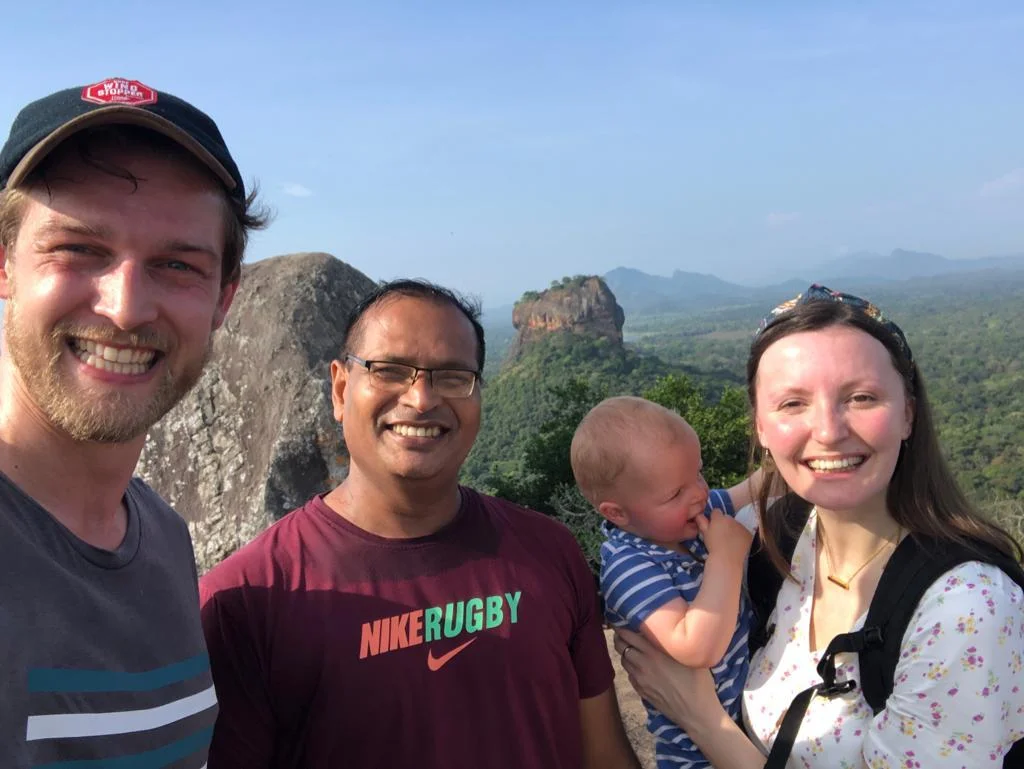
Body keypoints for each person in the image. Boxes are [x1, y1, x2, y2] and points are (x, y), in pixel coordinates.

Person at [199, 279, 643, 769]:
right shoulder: (247, 600)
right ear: (341, 389)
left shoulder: (548, 551)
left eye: (452, 376)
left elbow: (605, 755)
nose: (422, 398)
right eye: (389, 370)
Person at [614, 284, 1024, 767]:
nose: (828, 431)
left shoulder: (966, 608)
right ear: (761, 427)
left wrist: (702, 719)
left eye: (862, 397)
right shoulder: (768, 536)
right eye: (792, 404)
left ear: (908, 414)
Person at [0, 78, 267, 766]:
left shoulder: (164, 541)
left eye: (176, 264)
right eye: (78, 248)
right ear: (4, 264)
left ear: (223, 298)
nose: (125, 308)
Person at [572, 396, 758, 769]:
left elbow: (752, 489)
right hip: (697, 756)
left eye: (698, 474)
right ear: (618, 513)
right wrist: (725, 558)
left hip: (752, 725)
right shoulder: (629, 568)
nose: (700, 493)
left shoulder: (690, 514)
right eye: (675, 492)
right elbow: (696, 647)